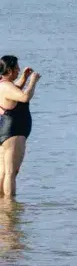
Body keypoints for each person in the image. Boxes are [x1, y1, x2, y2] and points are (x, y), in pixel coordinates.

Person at [0, 56, 39, 199]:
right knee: (11, 172)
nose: (18, 71)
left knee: (5, 172)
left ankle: (3, 205)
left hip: (7, 131)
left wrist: (23, 78)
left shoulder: (3, 84)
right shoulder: (6, 86)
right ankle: (10, 208)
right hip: (13, 133)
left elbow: (13, 91)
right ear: (9, 70)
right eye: (16, 69)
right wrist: (33, 81)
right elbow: (24, 97)